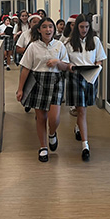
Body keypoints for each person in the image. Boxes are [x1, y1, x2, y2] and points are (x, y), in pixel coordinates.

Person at [15, 17, 72, 162]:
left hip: (56, 80)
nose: (48, 30)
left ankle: (52, 133)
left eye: (51, 27)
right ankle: (43, 147)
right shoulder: (33, 46)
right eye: (45, 27)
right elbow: (26, 69)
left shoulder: (59, 45)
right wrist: (20, 89)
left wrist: (58, 62)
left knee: (54, 117)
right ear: (39, 30)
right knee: (41, 117)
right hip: (38, 80)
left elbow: (66, 66)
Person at [65, 14, 107, 161]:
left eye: (87, 27)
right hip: (75, 77)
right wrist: (69, 66)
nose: (84, 30)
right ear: (76, 27)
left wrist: (98, 66)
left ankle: (78, 127)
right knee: (81, 110)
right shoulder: (69, 43)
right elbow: (65, 61)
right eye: (81, 27)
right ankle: (85, 146)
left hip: (91, 77)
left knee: (83, 108)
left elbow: (100, 59)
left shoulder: (95, 41)